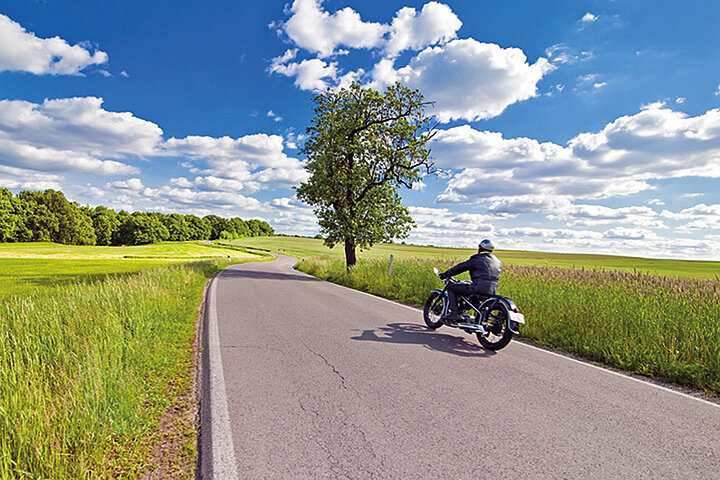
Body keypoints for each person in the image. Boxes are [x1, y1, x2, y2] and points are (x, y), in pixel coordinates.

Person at [438, 239, 501, 323]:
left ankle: (454, 312)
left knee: (451, 288)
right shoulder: (497, 261)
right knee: (473, 298)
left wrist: (446, 274)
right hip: (492, 290)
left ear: (481, 247)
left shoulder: (477, 258)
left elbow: (460, 267)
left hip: (477, 287)